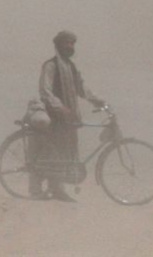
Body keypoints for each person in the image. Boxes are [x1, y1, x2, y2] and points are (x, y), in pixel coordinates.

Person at [29, 30, 105, 202]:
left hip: (68, 118)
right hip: (54, 116)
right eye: (66, 43)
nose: (69, 46)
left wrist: (99, 101)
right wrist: (61, 108)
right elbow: (45, 91)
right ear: (58, 45)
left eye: (72, 43)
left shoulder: (70, 67)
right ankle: (36, 190)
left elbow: (82, 89)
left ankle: (57, 189)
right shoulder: (51, 65)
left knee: (64, 153)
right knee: (48, 154)